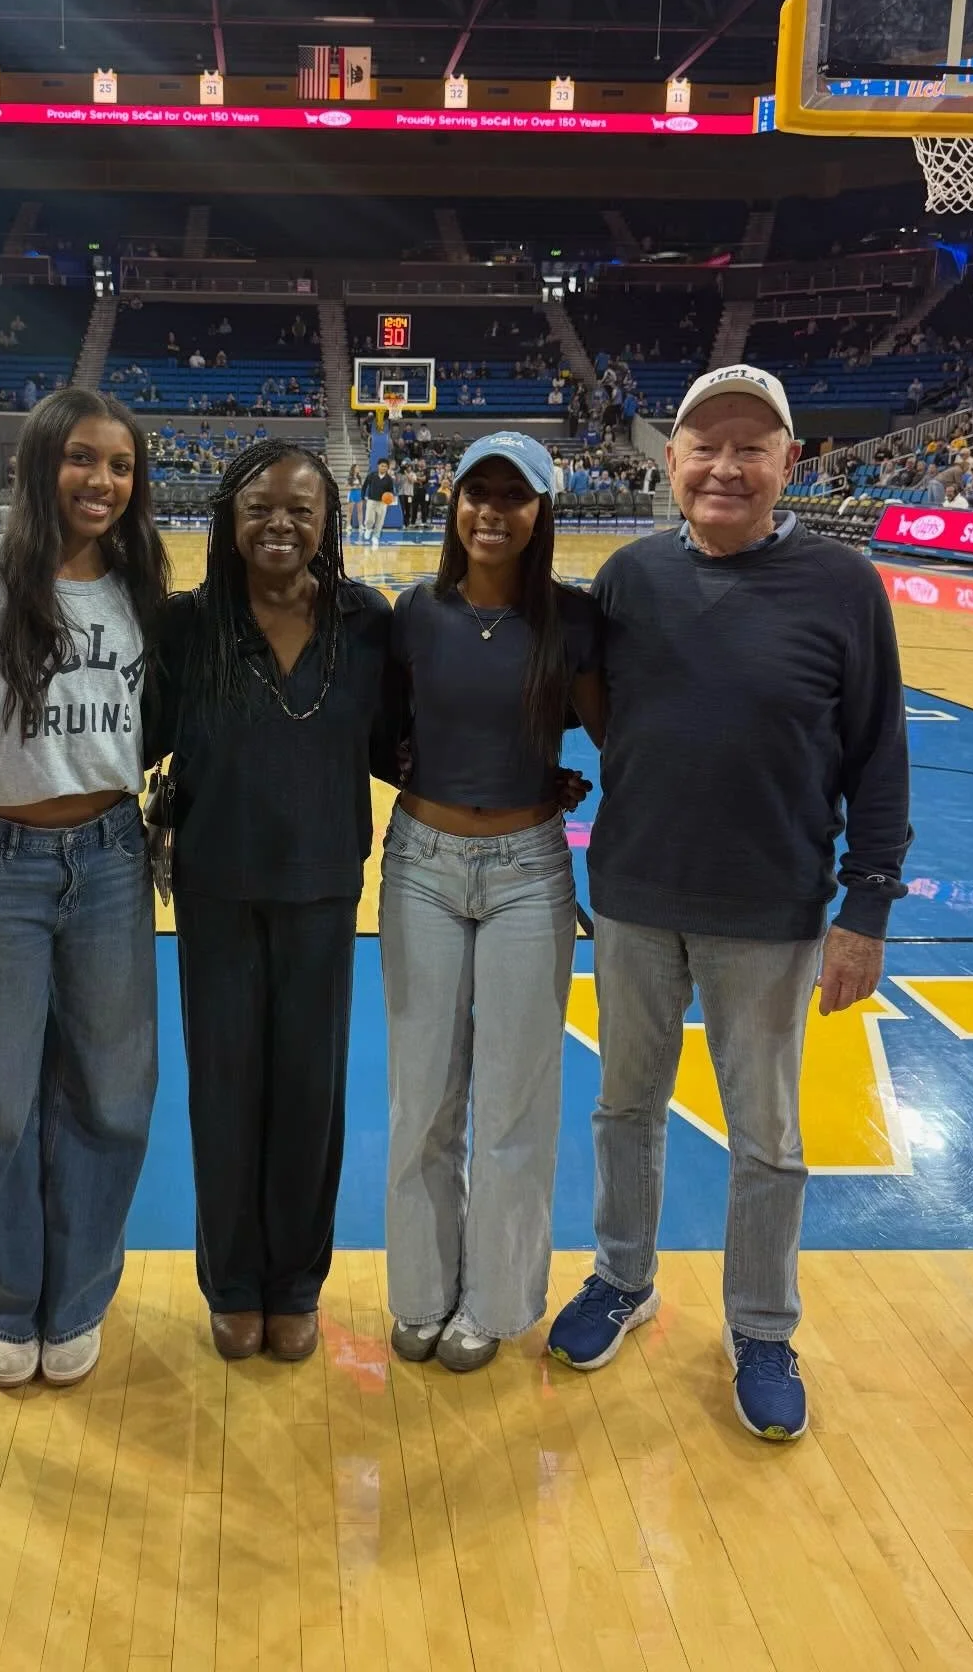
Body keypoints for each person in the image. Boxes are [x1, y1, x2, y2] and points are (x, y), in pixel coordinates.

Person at [548, 366, 911, 1444]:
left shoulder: (845, 585)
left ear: (789, 464)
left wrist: (869, 909)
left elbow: (878, 757)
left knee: (769, 1137)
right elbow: (610, 720)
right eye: (706, 445)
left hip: (776, 907)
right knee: (625, 1109)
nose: (725, 466)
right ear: (671, 461)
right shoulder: (627, 580)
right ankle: (624, 1277)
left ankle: (761, 1324)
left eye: (752, 448)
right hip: (635, 897)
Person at [0, 390, 169, 1392]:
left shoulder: (140, 583)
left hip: (111, 859)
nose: (101, 480)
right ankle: (6, 1303)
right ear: (36, 465)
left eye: (118, 464)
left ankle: (76, 1302)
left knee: (110, 1095)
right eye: (80, 459)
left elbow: (156, 722)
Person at [154, 444, 393, 1363]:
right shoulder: (187, 625)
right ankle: (233, 1283)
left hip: (325, 891)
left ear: (329, 518)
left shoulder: (366, 623)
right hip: (214, 893)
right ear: (227, 516)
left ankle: (295, 1282)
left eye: (300, 508)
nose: (279, 525)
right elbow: (128, 739)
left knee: (309, 1094)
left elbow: (402, 743)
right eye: (259, 507)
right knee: (223, 1095)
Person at [382, 434, 604, 1372]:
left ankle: (498, 1301)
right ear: (454, 503)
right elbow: (381, 734)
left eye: (516, 497)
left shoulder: (574, 621)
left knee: (515, 1100)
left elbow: (621, 735)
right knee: (421, 1097)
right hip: (421, 866)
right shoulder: (412, 615)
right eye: (479, 493)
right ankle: (422, 1292)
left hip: (529, 873)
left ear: (542, 514)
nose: (493, 512)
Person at [362, 458, 391, 550]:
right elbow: (364, 486)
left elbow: (390, 492)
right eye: (382, 465)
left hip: (382, 503)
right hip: (371, 501)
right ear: (378, 466)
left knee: (380, 521)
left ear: (387, 468)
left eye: (385, 466)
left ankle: (375, 537)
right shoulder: (372, 475)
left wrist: (389, 499)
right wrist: (363, 496)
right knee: (370, 519)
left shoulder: (389, 479)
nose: (383, 467)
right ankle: (368, 529)